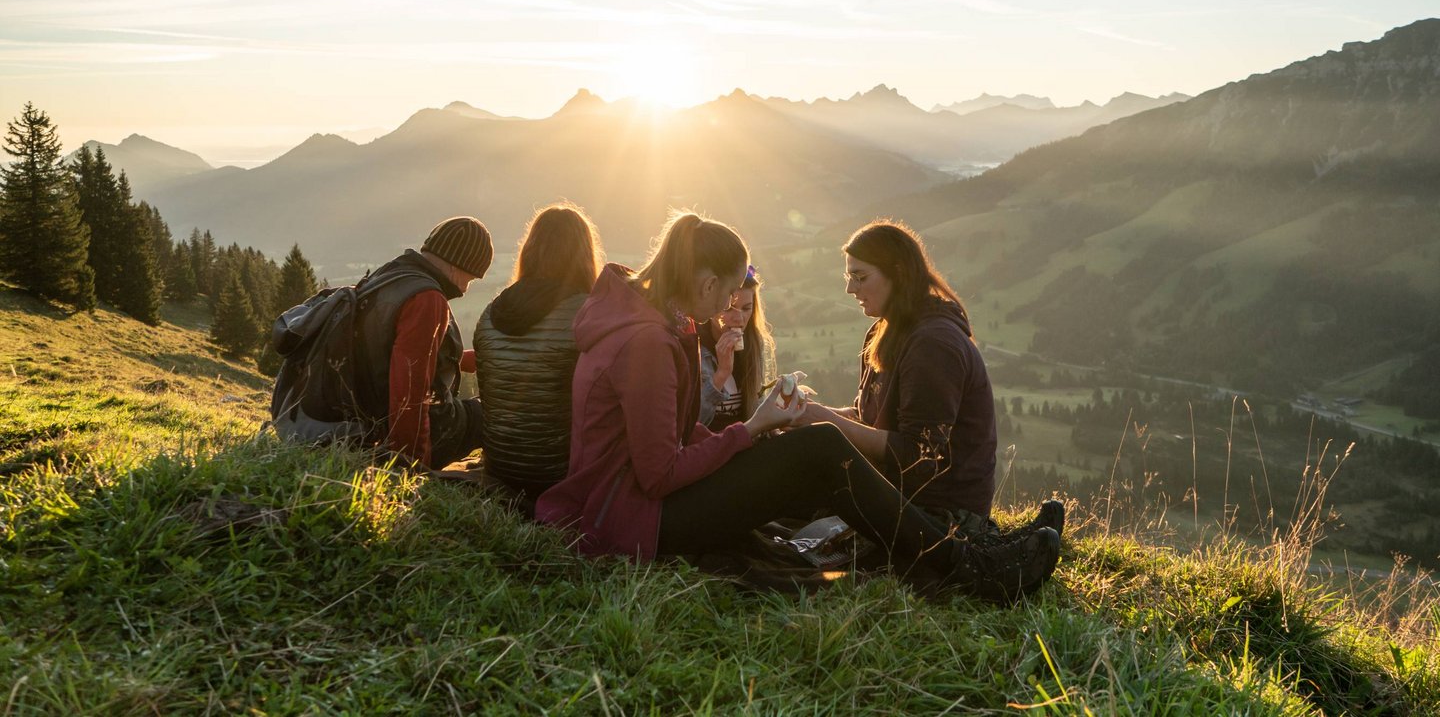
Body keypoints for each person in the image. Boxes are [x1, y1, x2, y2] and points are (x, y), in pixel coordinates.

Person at [534, 211, 1059, 601]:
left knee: (810, 453)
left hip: (626, 508)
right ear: (707, 282)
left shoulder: (644, 323)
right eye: (728, 295)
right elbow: (658, 472)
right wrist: (751, 430)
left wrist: (754, 436)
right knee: (818, 451)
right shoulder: (647, 342)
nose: (727, 309)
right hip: (633, 521)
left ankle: (962, 554)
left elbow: (665, 445)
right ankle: (966, 567)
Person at [797, 219, 1064, 540]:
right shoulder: (884, 330)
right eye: (848, 276)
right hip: (900, 491)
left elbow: (919, 456)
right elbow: (869, 420)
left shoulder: (933, 344)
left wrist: (825, 421)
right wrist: (805, 414)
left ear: (898, 273)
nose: (850, 288)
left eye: (860, 276)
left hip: (942, 509)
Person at [272, 215, 491, 469]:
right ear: (458, 266)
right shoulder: (427, 299)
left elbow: (386, 352)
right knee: (490, 415)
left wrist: (473, 360)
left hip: (355, 420)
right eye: (471, 278)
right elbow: (410, 393)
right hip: (391, 431)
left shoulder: (393, 275)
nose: (466, 288)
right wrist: (412, 464)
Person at [473, 203, 605, 497]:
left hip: (500, 468)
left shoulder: (489, 314)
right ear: (584, 254)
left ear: (529, 250)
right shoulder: (589, 314)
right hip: (561, 474)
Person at [697, 264, 775, 430]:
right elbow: (692, 423)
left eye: (746, 308)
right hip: (711, 448)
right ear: (714, 304)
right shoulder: (695, 348)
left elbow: (756, 410)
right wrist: (721, 374)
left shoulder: (754, 344)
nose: (739, 319)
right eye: (729, 309)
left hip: (748, 442)